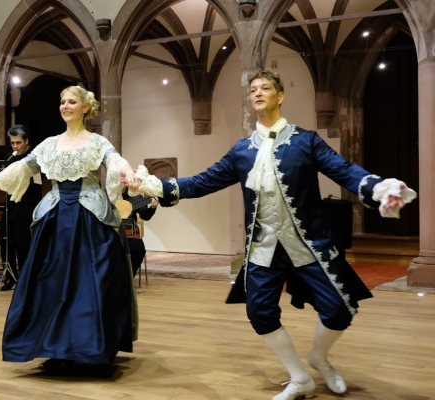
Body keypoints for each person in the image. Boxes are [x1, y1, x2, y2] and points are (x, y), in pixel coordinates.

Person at [125, 69, 416, 399]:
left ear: (280, 96)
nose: (258, 93)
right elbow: (202, 182)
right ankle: (299, 377)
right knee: (260, 312)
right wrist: (152, 185)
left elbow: (343, 169)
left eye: (265, 88)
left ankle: (319, 357)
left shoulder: (305, 141)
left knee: (339, 309)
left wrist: (378, 188)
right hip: (263, 247)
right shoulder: (241, 151)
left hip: (308, 243)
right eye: (253, 90)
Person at [0, 85, 139, 376]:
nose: (65, 106)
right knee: (51, 282)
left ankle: (92, 348)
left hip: (89, 216)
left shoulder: (96, 141)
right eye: (62, 101)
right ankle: (54, 347)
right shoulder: (49, 144)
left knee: (91, 282)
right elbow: (21, 169)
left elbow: (115, 160)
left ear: (85, 107)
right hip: (56, 217)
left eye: (72, 101)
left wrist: (128, 173)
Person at [0, 124, 41, 291]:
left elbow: (38, 183)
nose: (15, 146)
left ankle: (25, 279)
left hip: (28, 204)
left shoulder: (34, 157)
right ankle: (10, 277)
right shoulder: (9, 158)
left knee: (23, 242)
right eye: (12, 143)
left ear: (26, 141)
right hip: (11, 204)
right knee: (4, 239)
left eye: (18, 143)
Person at [121, 189, 158, 277]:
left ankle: (129, 278)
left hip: (129, 232)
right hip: (111, 232)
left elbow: (144, 215)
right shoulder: (107, 194)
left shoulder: (135, 197)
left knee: (139, 250)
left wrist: (152, 208)